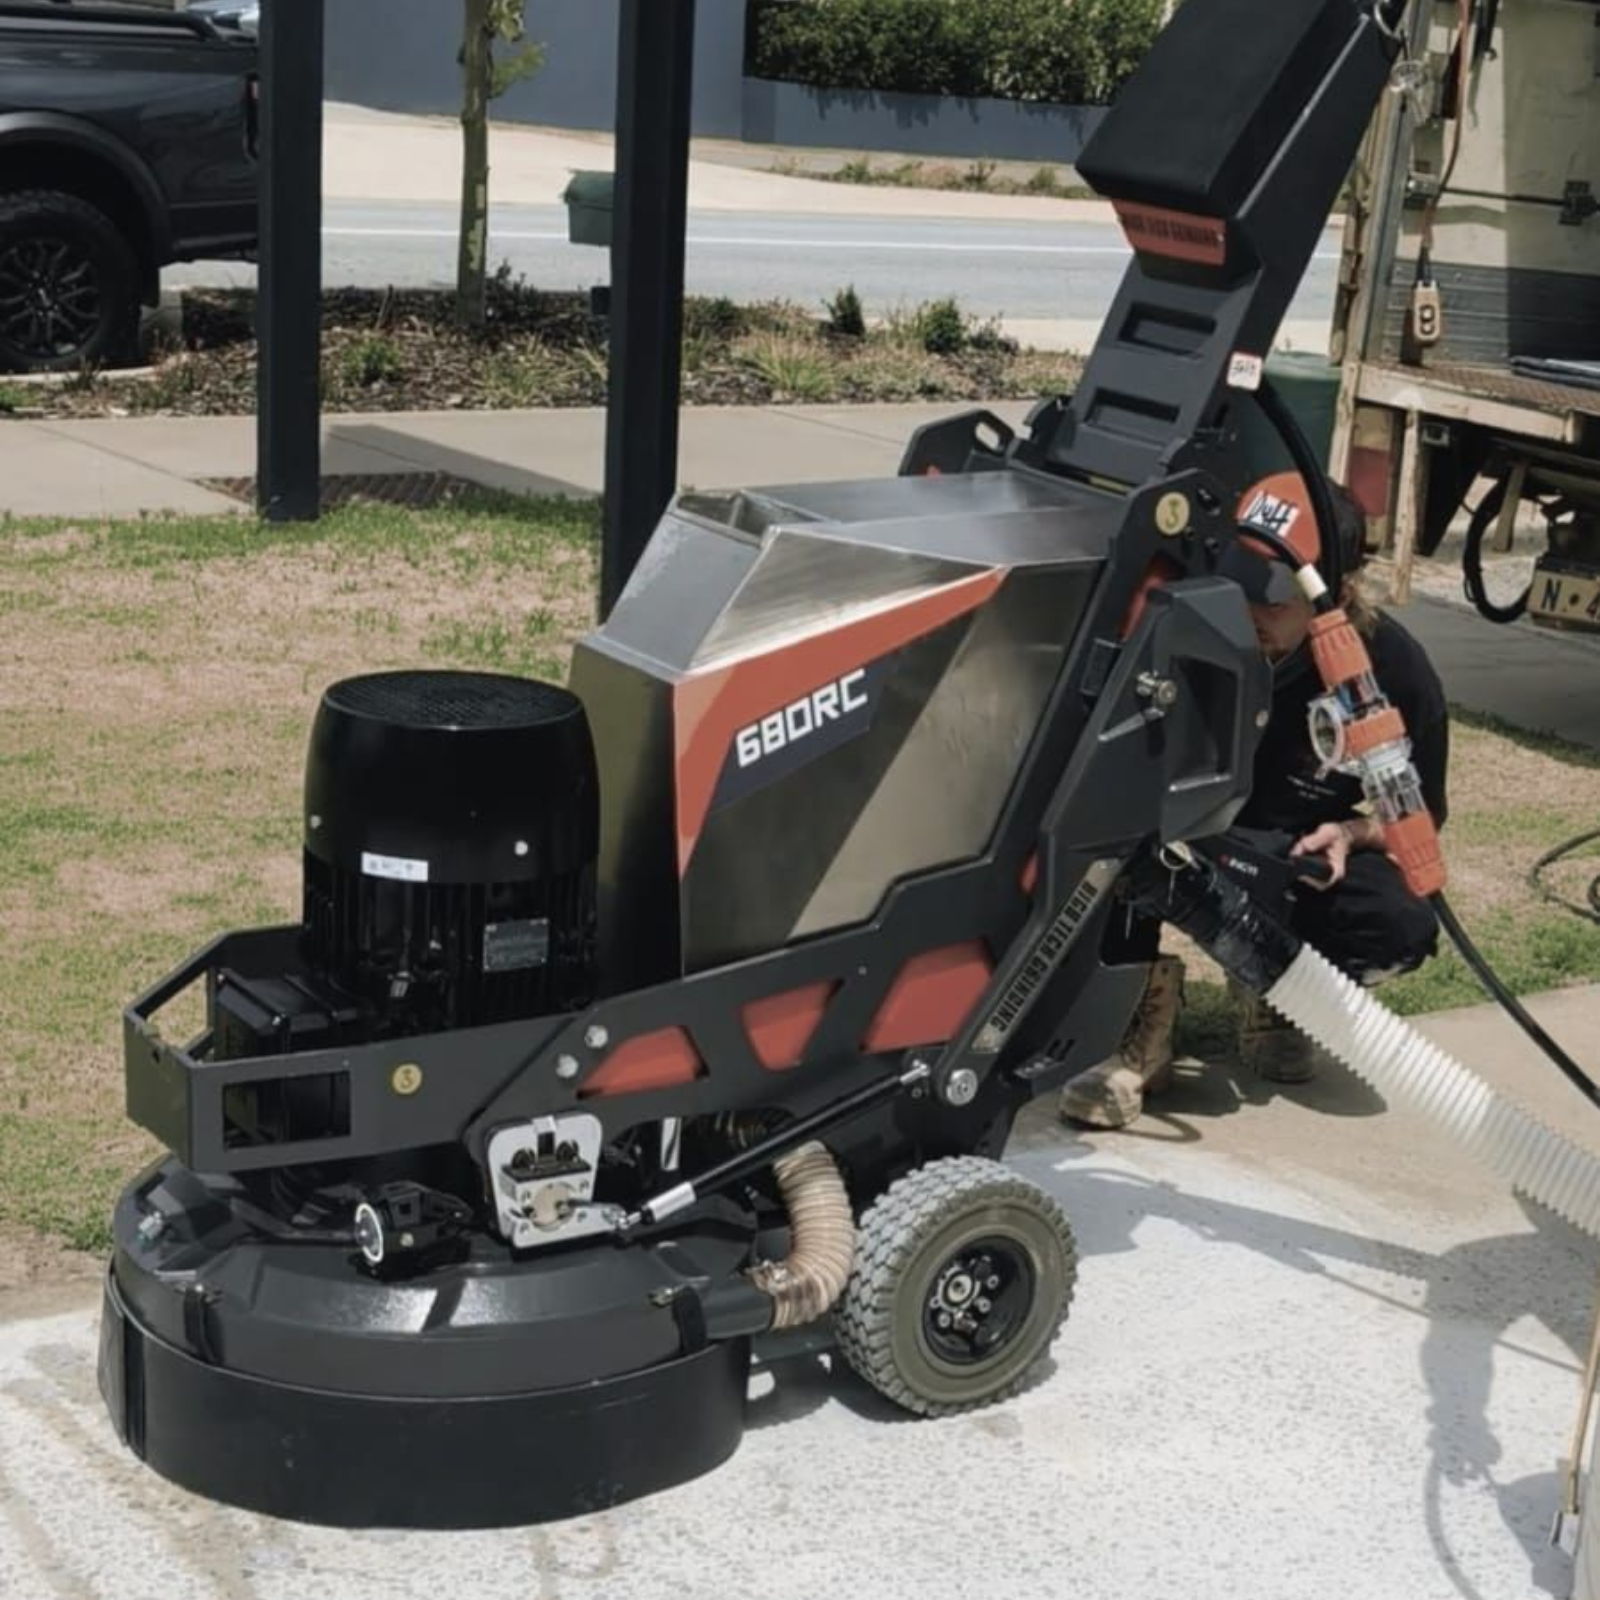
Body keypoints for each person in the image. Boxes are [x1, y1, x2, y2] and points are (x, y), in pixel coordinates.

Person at [1058, 470, 1451, 1130]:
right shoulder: (1182, 631)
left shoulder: (1388, 672)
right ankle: (1136, 1016)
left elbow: (1422, 817)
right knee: (1107, 828)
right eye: (1237, 590)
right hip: (1174, 840)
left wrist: (1350, 836)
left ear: (1335, 595)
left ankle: (1275, 987)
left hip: (1286, 854)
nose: (1246, 616)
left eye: (1271, 603)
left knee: (1397, 924)